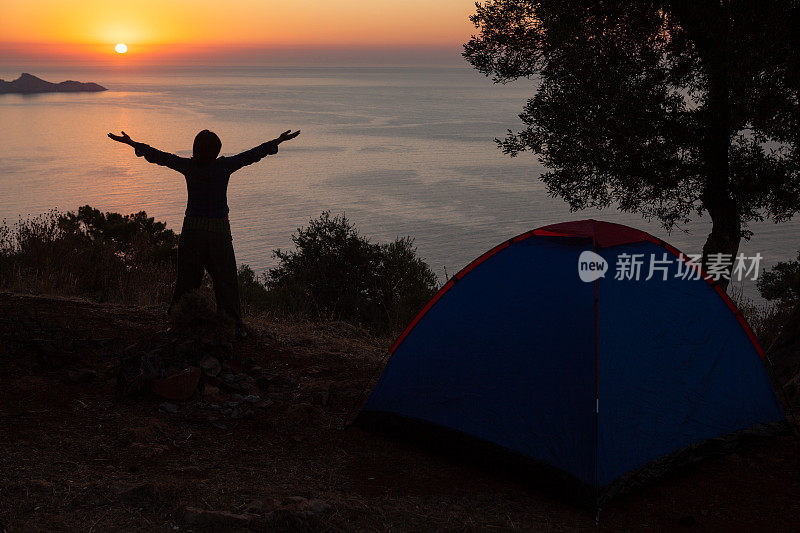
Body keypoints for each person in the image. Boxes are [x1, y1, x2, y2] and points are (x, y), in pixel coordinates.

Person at [107, 128, 301, 338]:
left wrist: (132, 143)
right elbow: (251, 155)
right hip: (219, 233)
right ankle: (233, 326)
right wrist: (278, 140)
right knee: (226, 281)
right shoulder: (223, 166)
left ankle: (178, 323)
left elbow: (160, 157)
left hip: (192, 231)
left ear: (195, 149)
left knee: (187, 280)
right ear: (217, 151)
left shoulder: (190, 167)